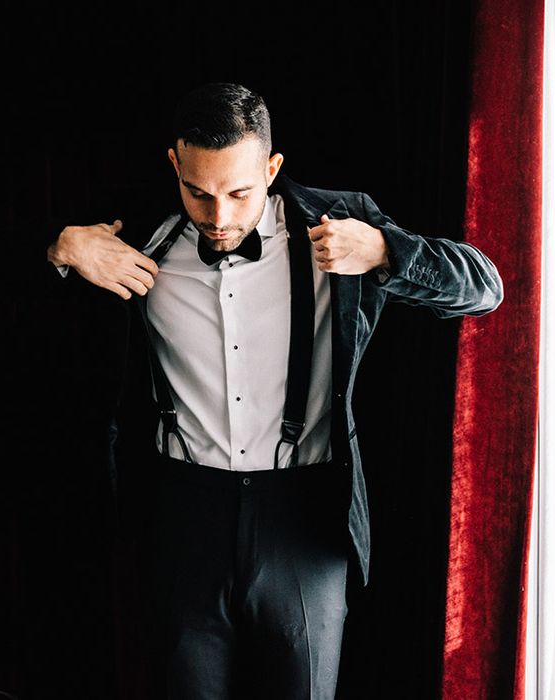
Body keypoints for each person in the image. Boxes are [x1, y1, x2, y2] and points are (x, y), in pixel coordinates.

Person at [44, 81, 503, 699]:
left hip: (303, 521)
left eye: (239, 192)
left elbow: (483, 290)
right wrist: (61, 249)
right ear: (174, 165)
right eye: (198, 193)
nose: (220, 216)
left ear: (272, 167)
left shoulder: (337, 223)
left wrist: (385, 250)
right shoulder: (135, 236)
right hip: (182, 517)